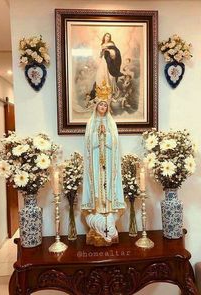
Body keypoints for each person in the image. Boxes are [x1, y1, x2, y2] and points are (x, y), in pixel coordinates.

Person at [81, 80, 125, 246]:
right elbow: (87, 144)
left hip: (107, 160)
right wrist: (96, 136)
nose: (103, 108)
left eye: (105, 106)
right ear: (96, 106)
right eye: (100, 105)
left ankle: (108, 216)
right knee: (97, 187)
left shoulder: (111, 123)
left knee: (108, 186)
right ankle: (97, 215)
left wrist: (105, 136)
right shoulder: (90, 123)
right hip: (95, 162)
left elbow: (114, 142)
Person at [90, 33, 123, 101]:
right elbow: (101, 55)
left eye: (109, 37)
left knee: (109, 76)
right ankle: (100, 93)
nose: (107, 38)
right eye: (106, 36)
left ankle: (109, 93)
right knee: (100, 76)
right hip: (103, 61)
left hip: (109, 62)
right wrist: (102, 51)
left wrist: (108, 50)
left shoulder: (111, 44)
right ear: (104, 37)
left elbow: (115, 53)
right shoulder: (102, 45)